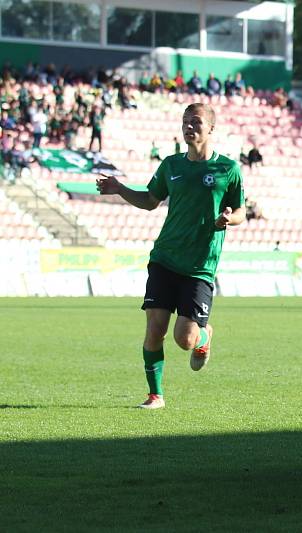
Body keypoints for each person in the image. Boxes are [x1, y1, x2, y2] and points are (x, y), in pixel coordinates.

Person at [96, 103, 246, 409]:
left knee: (185, 339)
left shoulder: (228, 170)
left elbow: (241, 210)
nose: (189, 127)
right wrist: (119, 188)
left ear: (211, 128)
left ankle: (204, 338)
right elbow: (151, 200)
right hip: (165, 258)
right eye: (185, 122)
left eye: (196, 122)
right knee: (155, 329)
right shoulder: (171, 165)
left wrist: (230, 218)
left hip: (200, 266)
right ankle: (155, 395)